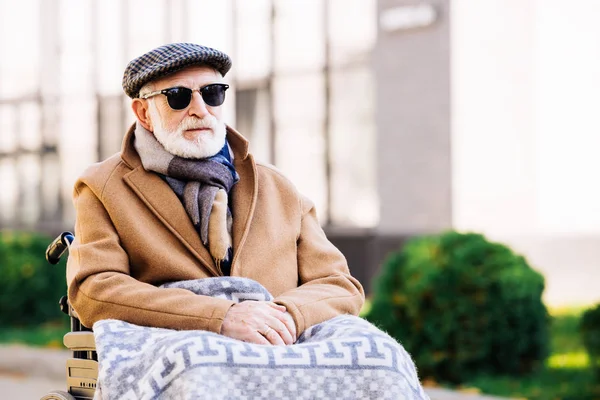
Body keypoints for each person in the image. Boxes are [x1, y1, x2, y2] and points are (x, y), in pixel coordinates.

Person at [66, 43, 365, 346]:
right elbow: (95, 289)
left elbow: (338, 284)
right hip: (180, 351)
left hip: (285, 347)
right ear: (143, 112)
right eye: (178, 97)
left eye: (212, 93)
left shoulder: (278, 186)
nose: (199, 109)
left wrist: (283, 316)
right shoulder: (102, 186)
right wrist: (220, 317)